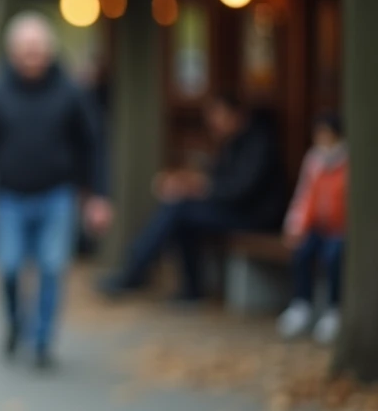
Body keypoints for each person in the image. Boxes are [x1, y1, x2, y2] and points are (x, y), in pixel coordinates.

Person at [0, 13, 112, 369]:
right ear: (12, 52)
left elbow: (92, 145)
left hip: (57, 195)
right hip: (11, 196)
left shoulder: (71, 93)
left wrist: (98, 196)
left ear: (49, 50)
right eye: (25, 49)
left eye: (38, 48)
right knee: (11, 267)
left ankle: (42, 341)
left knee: (51, 267)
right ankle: (16, 323)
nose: (32, 55)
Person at [101, 94, 287, 301]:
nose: (213, 123)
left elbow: (240, 190)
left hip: (255, 216)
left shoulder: (258, 143)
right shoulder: (234, 141)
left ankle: (135, 271)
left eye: (218, 116)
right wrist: (188, 183)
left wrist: (202, 187)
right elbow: (218, 178)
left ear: (236, 115)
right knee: (181, 215)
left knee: (179, 211)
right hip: (237, 210)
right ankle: (187, 289)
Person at [276, 112, 347, 344]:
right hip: (317, 226)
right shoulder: (314, 160)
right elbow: (304, 195)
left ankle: (334, 310)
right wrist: (295, 225)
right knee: (302, 250)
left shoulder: (348, 162)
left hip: (340, 229)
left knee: (334, 255)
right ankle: (301, 305)